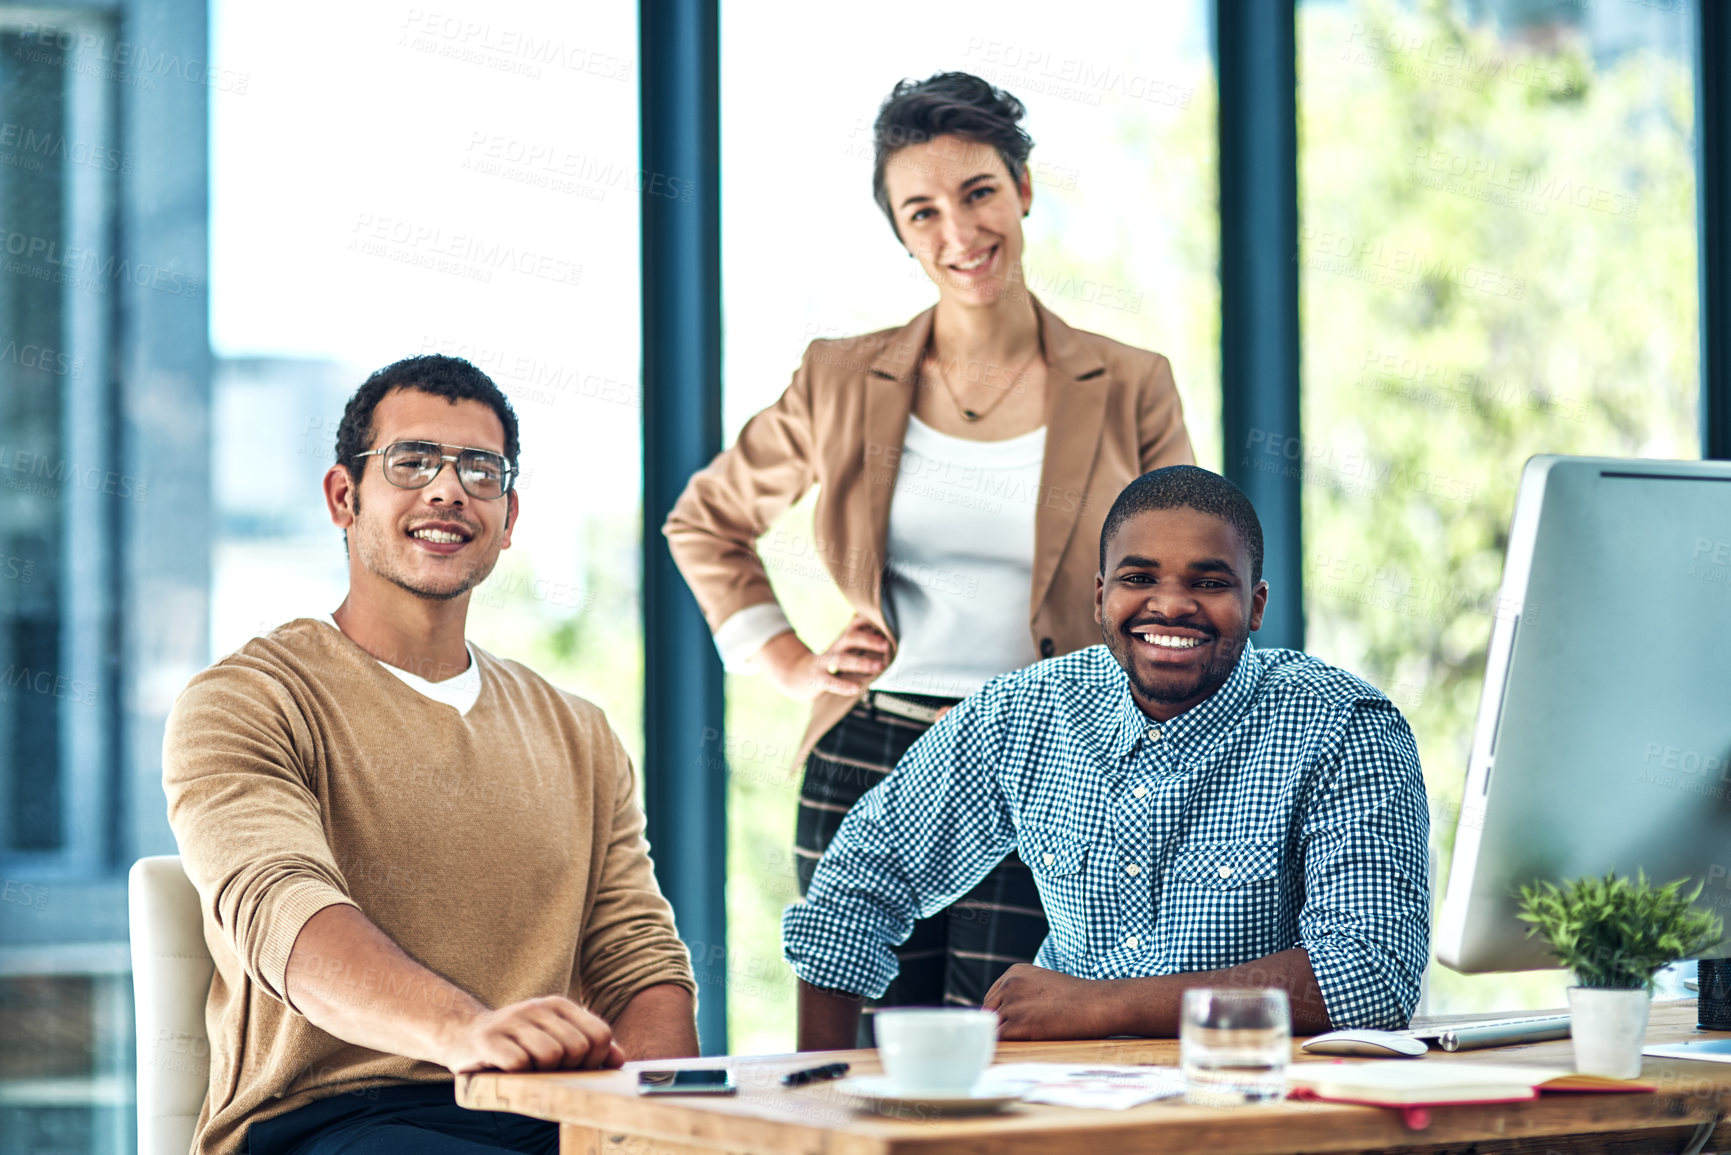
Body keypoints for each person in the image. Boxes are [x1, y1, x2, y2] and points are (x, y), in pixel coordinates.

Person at [665, 72, 1194, 1035]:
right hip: (868, 756)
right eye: (923, 209)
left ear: (1022, 189)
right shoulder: (839, 376)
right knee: (858, 1070)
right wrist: (790, 662)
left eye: (979, 191)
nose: (958, 229)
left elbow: (1184, 578)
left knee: (1020, 1057)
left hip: (1054, 763)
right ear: (902, 234)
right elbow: (705, 522)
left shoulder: (1129, 384)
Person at [163, 356, 698, 1155]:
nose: (448, 490)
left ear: (508, 516)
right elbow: (285, 917)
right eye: (412, 462)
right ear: (344, 497)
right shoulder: (247, 699)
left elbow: (639, 960)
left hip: (551, 1120)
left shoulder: (580, 731)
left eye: (479, 470)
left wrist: (649, 1127)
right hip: (333, 1121)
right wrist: (471, 1032)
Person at [785, 466, 1430, 1049]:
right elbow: (854, 889)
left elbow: (1370, 976)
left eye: (1209, 582)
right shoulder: (1023, 712)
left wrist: (1102, 1005)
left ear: (1256, 604)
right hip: (1061, 1114)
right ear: (1100, 597)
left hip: (1259, 1111)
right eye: (1138, 577)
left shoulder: (1345, 728)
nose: (1172, 604)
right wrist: (816, 1099)